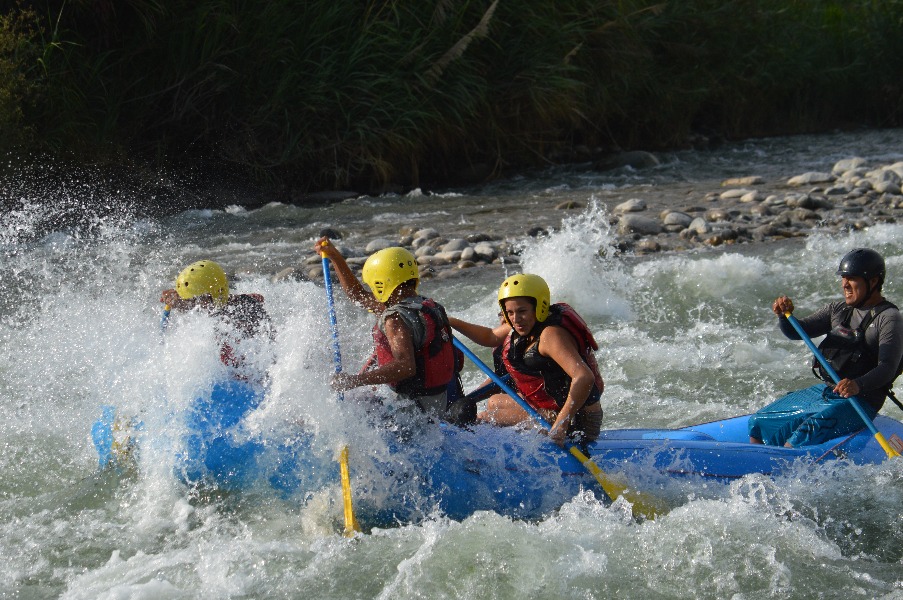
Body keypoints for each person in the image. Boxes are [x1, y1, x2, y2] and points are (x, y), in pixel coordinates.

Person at [749, 248, 903, 447]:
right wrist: (784, 316)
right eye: (843, 278)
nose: (844, 284)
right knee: (759, 422)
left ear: (873, 281)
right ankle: (755, 459)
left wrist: (857, 384)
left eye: (852, 278)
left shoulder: (889, 318)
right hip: (828, 391)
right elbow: (797, 331)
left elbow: (888, 367)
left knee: (803, 434)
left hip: (860, 402)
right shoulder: (838, 310)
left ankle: (784, 460)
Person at [314, 239, 468, 424]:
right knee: (359, 401)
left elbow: (405, 366)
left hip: (412, 414)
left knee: (350, 407)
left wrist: (355, 380)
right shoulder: (427, 306)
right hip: (435, 405)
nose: (372, 290)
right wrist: (335, 257)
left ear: (381, 283)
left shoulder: (395, 319)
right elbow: (358, 296)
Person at [448, 273, 604, 445]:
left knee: (486, 417)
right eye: (510, 312)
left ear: (539, 307)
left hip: (576, 421)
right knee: (494, 402)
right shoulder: (523, 324)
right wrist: (451, 322)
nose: (515, 319)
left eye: (522, 311)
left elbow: (584, 376)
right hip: (551, 410)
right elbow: (490, 336)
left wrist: (562, 423)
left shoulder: (550, 335)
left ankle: (462, 445)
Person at [160, 259, 275, 384]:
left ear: (218, 293)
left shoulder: (243, 310)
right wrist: (178, 302)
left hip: (253, 376)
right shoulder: (214, 305)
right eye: (192, 300)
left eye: (201, 299)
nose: (197, 306)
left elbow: (265, 351)